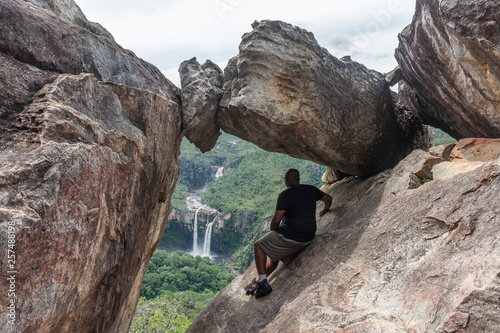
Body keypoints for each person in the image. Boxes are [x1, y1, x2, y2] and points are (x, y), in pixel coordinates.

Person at [245, 168, 332, 298]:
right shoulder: (311, 189)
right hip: (308, 237)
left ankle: (262, 282)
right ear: (298, 180)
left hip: (291, 237)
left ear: (286, 181)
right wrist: (325, 209)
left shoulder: (285, 195)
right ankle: (259, 281)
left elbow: (275, 222)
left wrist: (274, 232)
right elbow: (328, 198)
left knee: (258, 245)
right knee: (273, 257)